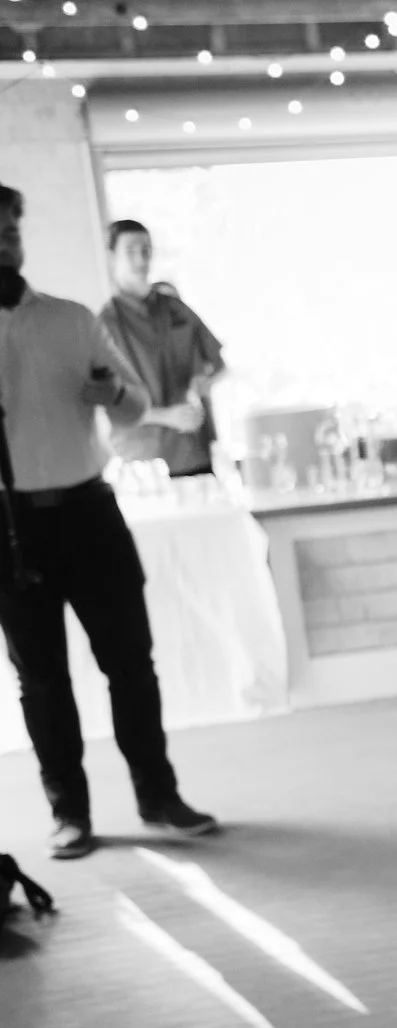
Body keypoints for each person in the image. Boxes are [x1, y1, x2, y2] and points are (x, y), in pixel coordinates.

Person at [0, 184, 217, 860]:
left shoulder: (70, 319)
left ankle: (159, 794)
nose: (10, 241)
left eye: (12, 229)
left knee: (132, 663)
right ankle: (70, 813)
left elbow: (134, 404)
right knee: (41, 680)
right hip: (11, 525)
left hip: (91, 510)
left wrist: (114, 394)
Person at [98, 220, 223, 477]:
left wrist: (203, 382)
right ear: (112, 257)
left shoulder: (175, 309)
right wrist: (166, 416)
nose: (141, 259)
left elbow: (218, 364)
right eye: (130, 251)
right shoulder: (104, 324)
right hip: (144, 462)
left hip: (192, 450)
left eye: (146, 249)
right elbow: (106, 400)